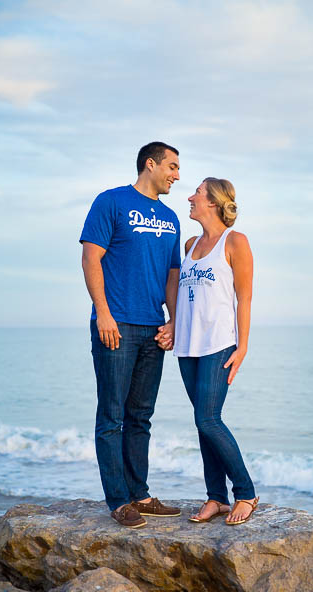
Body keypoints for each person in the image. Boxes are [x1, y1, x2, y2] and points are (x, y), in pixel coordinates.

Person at [80, 142, 182, 528]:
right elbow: (92, 258)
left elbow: (172, 275)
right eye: (172, 166)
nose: (176, 174)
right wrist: (103, 313)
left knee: (140, 416)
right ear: (150, 164)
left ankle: (140, 494)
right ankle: (118, 500)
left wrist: (173, 321)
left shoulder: (171, 218)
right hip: (116, 324)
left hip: (153, 328)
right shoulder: (111, 202)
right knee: (112, 416)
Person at [172, 177, 258, 525]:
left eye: (197, 193)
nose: (190, 197)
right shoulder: (191, 243)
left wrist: (243, 347)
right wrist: (171, 326)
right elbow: (182, 296)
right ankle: (215, 498)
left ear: (213, 202)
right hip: (187, 346)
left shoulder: (235, 241)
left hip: (219, 344)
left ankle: (247, 492)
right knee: (202, 424)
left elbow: (245, 297)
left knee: (208, 419)